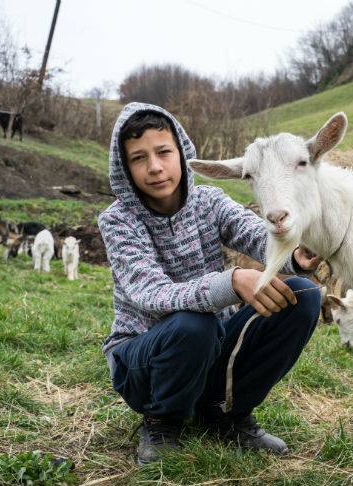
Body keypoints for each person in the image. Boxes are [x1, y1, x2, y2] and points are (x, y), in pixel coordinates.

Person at [98, 102, 322, 465]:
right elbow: (151, 293)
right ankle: (161, 421)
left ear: (182, 152)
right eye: (139, 158)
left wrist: (296, 255)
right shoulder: (118, 220)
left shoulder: (208, 201)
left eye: (163, 152)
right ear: (125, 168)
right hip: (142, 365)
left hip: (210, 350)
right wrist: (231, 282)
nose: (154, 167)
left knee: (303, 294)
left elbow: (255, 235)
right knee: (193, 322)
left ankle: (226, 413)